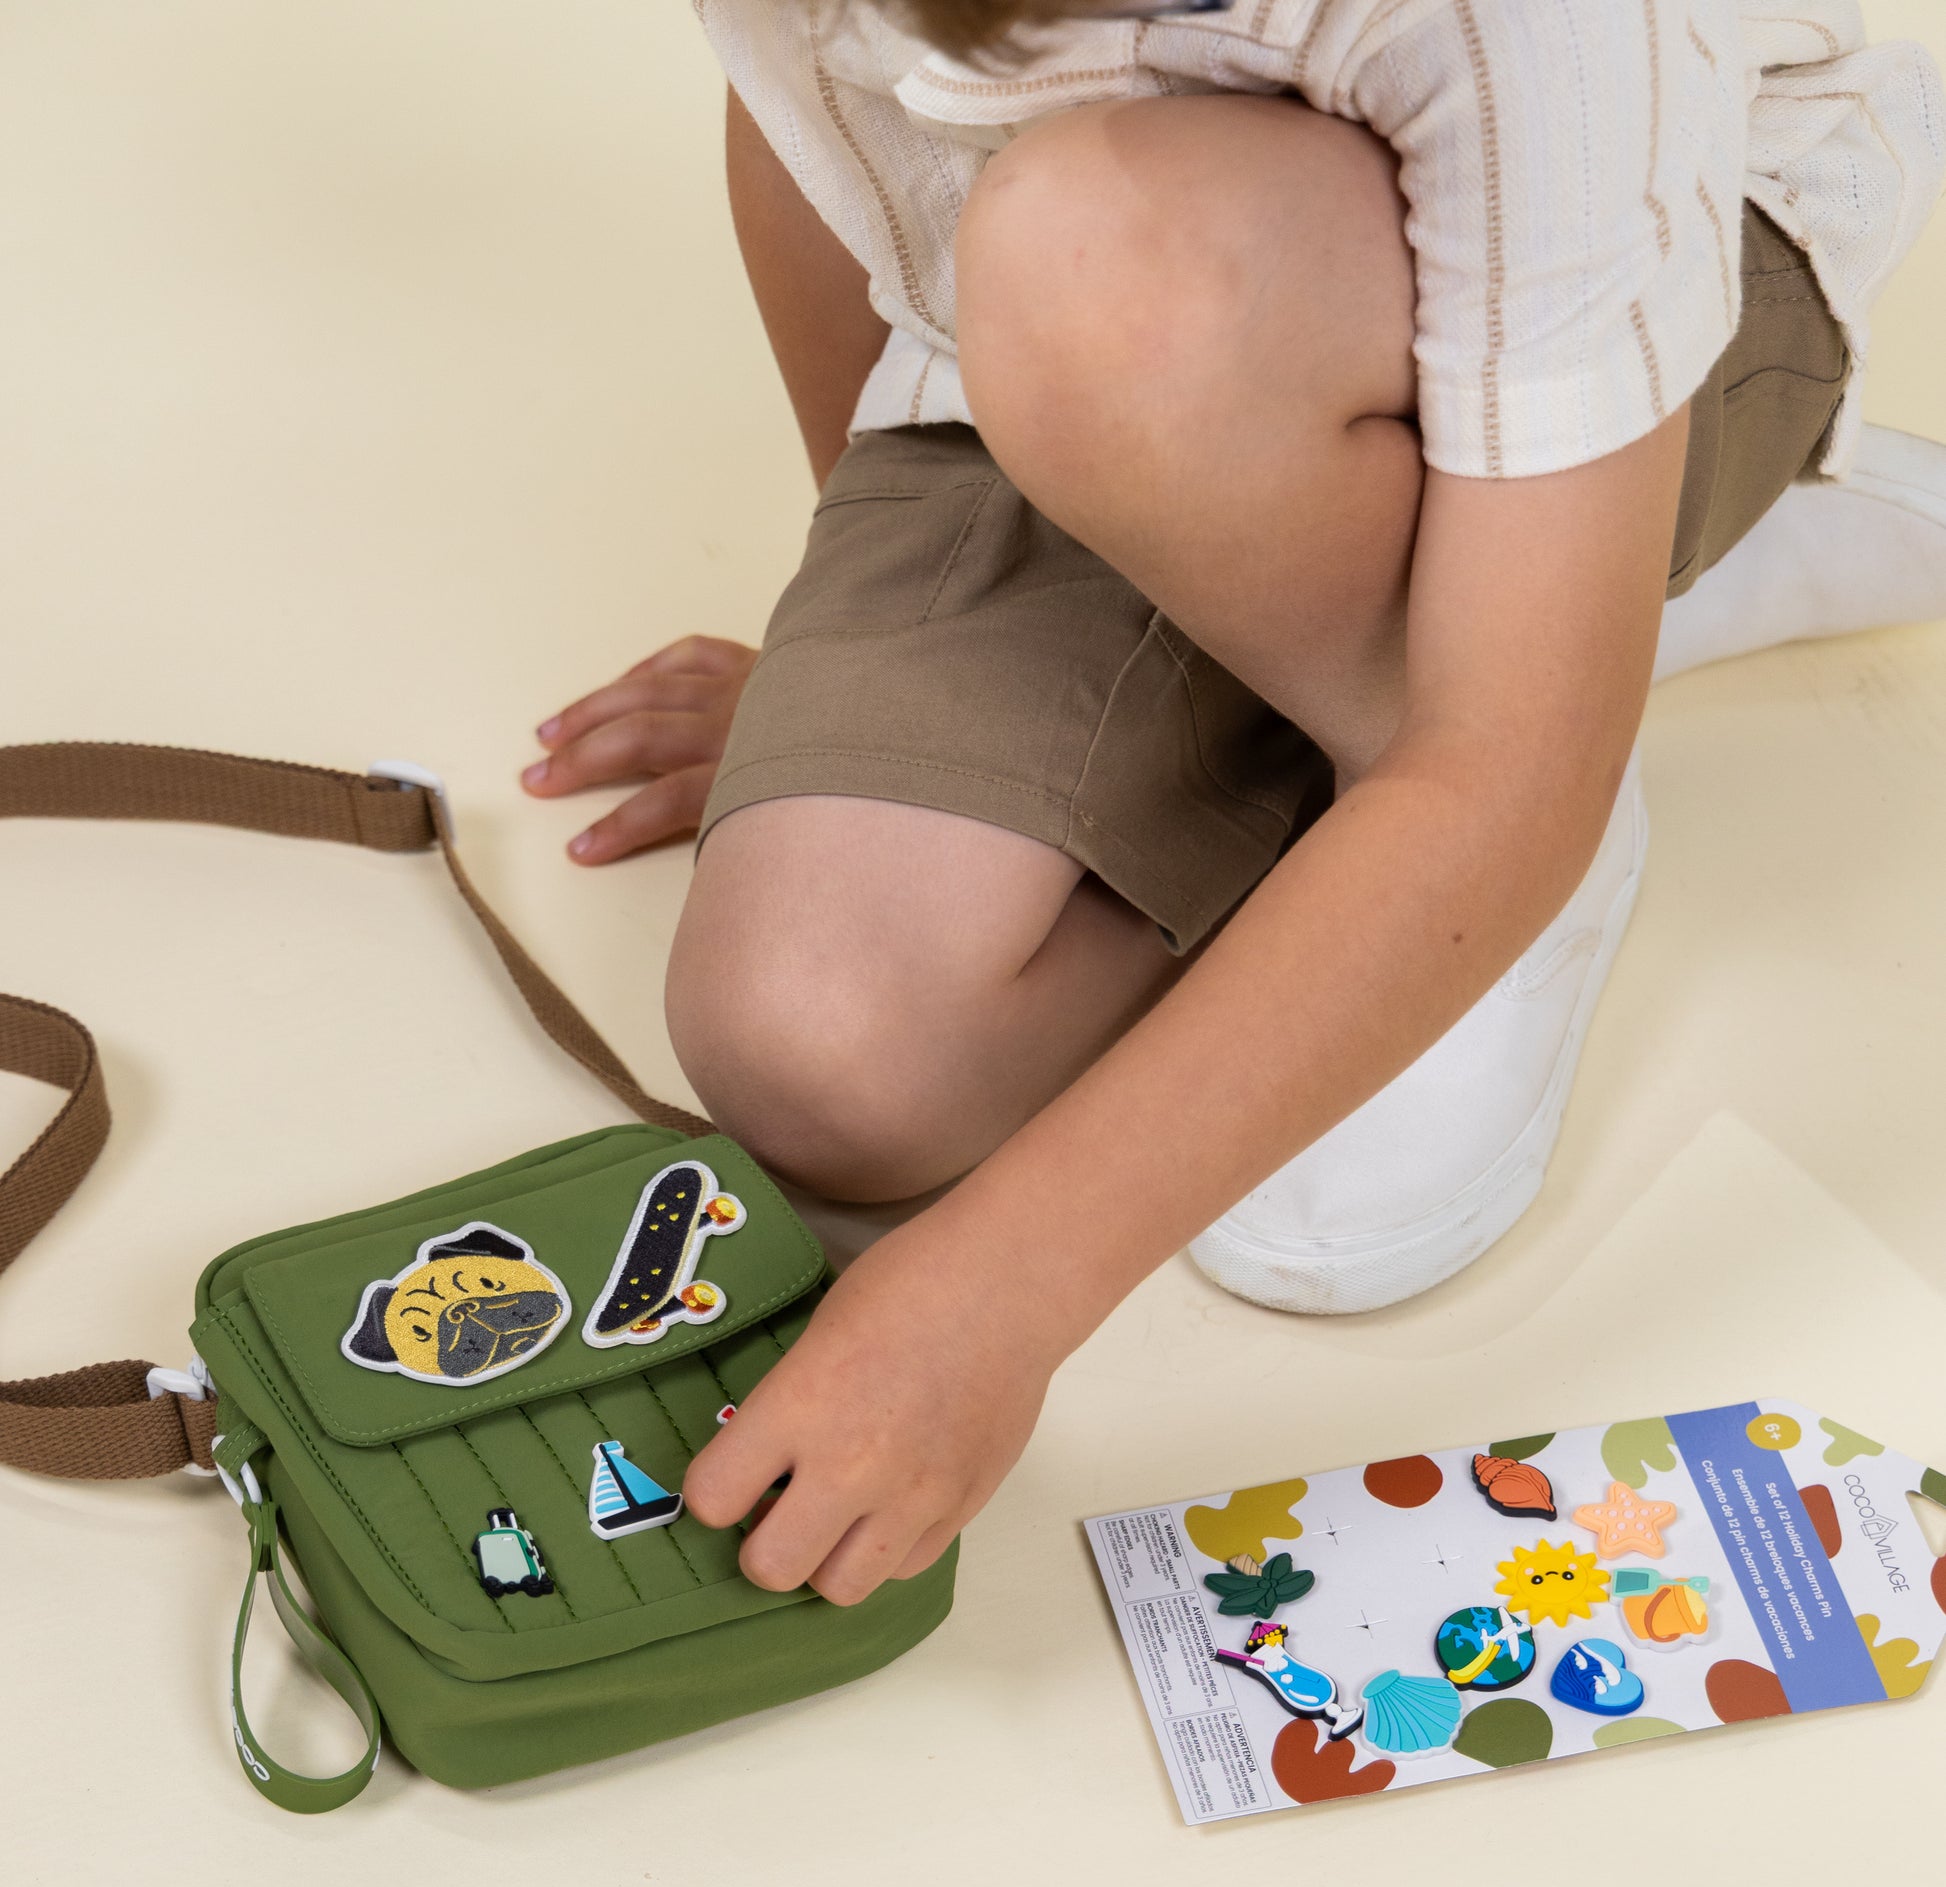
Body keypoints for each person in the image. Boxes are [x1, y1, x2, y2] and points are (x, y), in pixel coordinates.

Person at [523, 1, 1946, 1608]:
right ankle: (1511, 635)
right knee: (820, 1053)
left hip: (1648, 280)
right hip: (1099, 363)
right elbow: (814, 126)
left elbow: (1495, 759)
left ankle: (1558, 668)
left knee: (1101, 257)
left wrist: (1008, 1290)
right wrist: (860, 655)